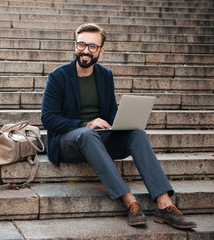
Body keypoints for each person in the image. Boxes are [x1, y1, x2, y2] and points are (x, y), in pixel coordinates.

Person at [40, 23, 197, 229]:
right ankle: (129, 201)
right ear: (74, 45)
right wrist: (86, 123)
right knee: (87, 133)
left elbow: (110, 111)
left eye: (92, 46)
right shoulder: (57, 76)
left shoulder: (105, 75)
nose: (85, 50)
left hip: (98, 139)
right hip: (68, 141)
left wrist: (123, 121)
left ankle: (164, 204)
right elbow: (48, 118)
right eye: (81, 44)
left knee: (137, 134)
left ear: (101, 50)